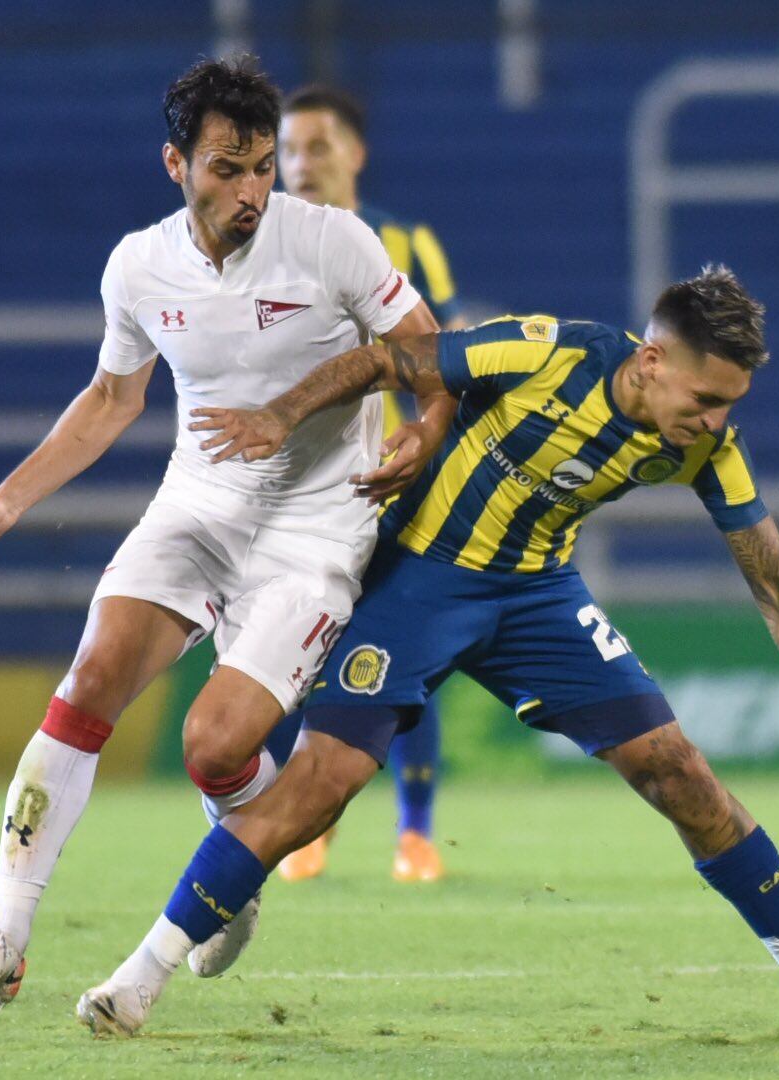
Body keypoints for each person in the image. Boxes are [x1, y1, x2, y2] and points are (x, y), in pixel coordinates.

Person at [75, 265, 779, 1036]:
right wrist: (279, 413)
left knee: (680, 772)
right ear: (652, 361)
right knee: (321, 788)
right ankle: (139, 977)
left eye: (730, 406)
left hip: (536, 596)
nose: (717, 421)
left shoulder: (705, 447)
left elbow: (777, 580)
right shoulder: (545, 353)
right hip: (418, 580)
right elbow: (392, 358)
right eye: (706, 399)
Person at [0, 55, 448, 1008]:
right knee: (88, 681)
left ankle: (228, 871)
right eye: (226, 168)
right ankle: (5, 934)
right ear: (176, 163)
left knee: (214, 748)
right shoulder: (138, 264)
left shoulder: (333, 241)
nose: (251, 190)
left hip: (316, 532)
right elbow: (111, 398)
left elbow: (427, 351)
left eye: (260, 168)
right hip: (197, 507)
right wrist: (6, 501)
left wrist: (423, 427)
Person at [275, 83, 473, 885]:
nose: (300, 164)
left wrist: (427, 439)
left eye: (316, 147)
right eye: (288, 150)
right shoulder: (267, 248)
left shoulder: (407, 241)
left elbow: (449, 358)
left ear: (354, 153)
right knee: (297, 652)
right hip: (304, 482)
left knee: (401, 658)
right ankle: (307, 821)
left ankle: (415, 831)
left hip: (395, 479)